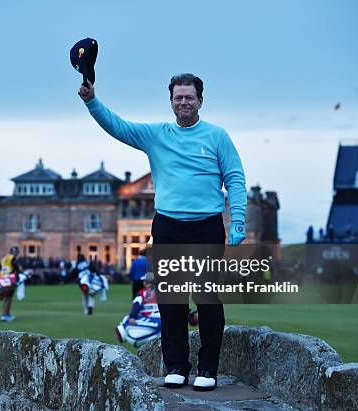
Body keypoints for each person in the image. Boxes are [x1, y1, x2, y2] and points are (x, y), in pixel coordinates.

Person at [79, 73, 246, 391]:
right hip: (168, 225)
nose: (184, 102)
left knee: (208, 299)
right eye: (178, 97)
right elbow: (118, 127)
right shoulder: (156, 134)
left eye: (190, 97)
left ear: (200, 100)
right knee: (172, 300)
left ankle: (208, 368)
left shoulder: (217, 136)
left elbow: (235, 179)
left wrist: (237, 220)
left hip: (207, 225)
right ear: (171, 101)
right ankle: (177, 367)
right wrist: (91, 101)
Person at [116, 272, 161, 347]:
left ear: (145, 282)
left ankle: (125, 335)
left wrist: (132, 317)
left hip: (148, 319)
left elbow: (136, 305)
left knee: (125, 320)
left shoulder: (141, 293)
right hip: (161, 318)